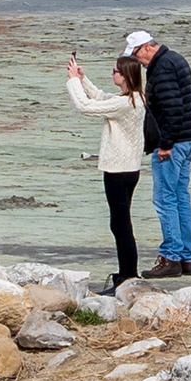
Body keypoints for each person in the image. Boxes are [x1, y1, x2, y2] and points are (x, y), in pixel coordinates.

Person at [63, 48, 147, 283]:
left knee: (120, 226)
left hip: (118, 170)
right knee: (120, 223)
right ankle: (127, 273)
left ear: (125, 76)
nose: (112, 75)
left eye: (115, 72)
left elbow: (85, 107)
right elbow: (101, 97)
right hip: (129, 169)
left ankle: (128, 275)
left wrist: (72, 83)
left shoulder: (125, 104)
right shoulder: (136, 98)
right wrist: (82, 79)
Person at [128, 27, 191, 276]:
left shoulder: (163, 67)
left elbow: (172, 107)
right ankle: (185, 258)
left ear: (147, 47)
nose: (138, 61)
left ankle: (170, 257)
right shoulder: (174, 59)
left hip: (173, 143)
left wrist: (165, 144)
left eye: (137, 55)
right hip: (188, 139)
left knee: (165, 200)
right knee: (180, 197)